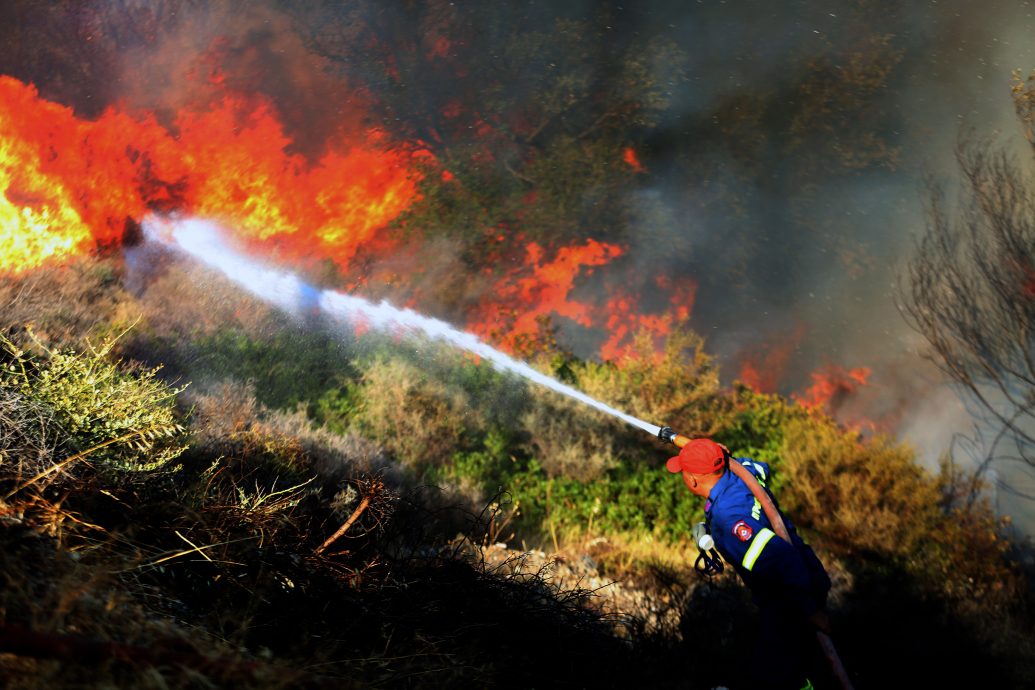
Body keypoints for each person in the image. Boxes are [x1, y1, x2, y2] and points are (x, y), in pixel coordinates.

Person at [667, 438, 833, 690]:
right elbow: (760, 467)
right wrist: (725, 457)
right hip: (804, 577)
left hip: (789, 596)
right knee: (795, 664)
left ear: (692, 480)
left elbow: (780, 558)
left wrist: (810, 610)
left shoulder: (729, 517)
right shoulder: (742, 475)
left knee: (774, 674)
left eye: (683, 472)